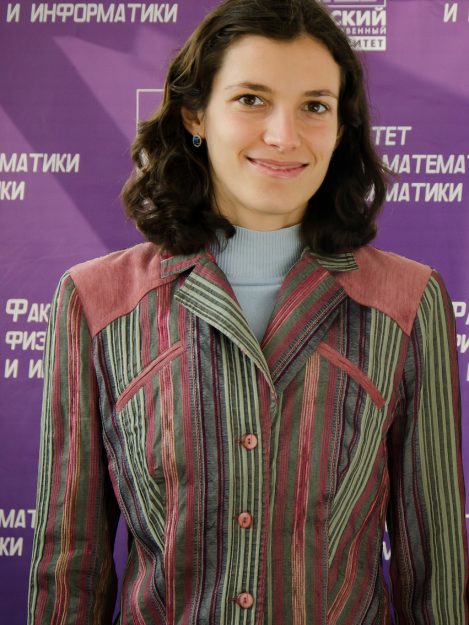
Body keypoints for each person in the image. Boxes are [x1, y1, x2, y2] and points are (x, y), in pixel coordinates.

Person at [28, 0, 468, 623]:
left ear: (341, 128)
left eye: (315, 106)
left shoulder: (408, 301)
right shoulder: (94, 301)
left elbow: (436, 570)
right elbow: (68, 567)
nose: (284, 135)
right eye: (251, 99)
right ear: (195, 115)